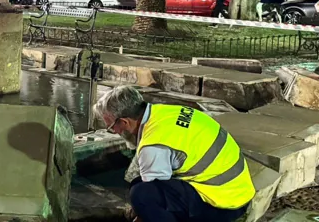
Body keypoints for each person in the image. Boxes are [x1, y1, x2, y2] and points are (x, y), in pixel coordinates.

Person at [94, 86, 254, 222]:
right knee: (140, 182)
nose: (114, 132)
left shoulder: (153, 144)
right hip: (239, 190)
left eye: (111, 127)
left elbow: (153, 193)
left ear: (125, 122)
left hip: (225, 204)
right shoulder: (165, 112)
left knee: (141, 194)